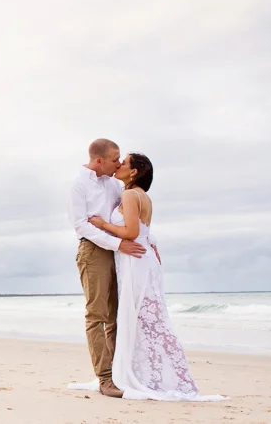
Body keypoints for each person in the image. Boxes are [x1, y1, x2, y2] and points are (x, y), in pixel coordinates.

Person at [87, 152, 225, 401]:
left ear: (134, 172)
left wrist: (103, 224)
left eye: (124, 163)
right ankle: (150, 373)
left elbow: (131, 232)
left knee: (141, 317)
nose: (119, 165)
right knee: (145, 318)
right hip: (140, 257)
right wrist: (151, 242)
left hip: (134, 259)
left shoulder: (130, 195)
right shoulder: (141, 195)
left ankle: (147, 376)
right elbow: (143, 231)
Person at [67, 139, 152, 398]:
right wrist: (118, 243)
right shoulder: (78, 185)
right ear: (99, 160)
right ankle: (104, 378)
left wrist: (149, 242)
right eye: (115, 159)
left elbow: (129, 218)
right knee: (97, 316)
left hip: (119, 253)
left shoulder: (115, 184)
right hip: (94, 252)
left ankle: (118, 374)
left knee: (117, 315)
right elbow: (81, 225)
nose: (118, 163)